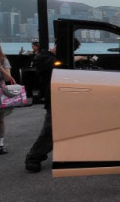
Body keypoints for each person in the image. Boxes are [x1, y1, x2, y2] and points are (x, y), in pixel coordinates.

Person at [24, 38, 80, 173]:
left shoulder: (48, 57)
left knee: (64, 128)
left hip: (64, 97)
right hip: (55, 98)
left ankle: (63, 155)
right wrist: (76, 59)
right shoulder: (43, 57)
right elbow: (55, 66)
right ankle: (33, 158)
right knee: (50, 130)